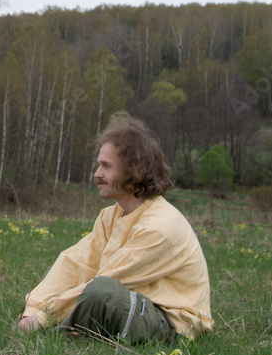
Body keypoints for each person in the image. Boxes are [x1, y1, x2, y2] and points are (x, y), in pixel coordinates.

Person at [17, 112, 212, 342]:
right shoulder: (111, 215)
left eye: (106, 166)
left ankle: (59, 335)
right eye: (98, 165)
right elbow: (77, 263)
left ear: (133, 170)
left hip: (174, 324)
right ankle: (60, 327)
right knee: (82, 280)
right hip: (141, 302)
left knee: (101, 292)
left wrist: (42, 318)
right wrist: (34, 307)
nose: (97, 174)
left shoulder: (160, 226)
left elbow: (111, 279)